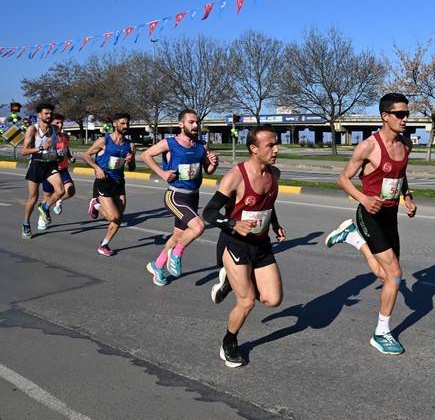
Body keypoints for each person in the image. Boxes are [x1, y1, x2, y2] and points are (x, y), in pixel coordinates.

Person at [325, 93, 417, 355]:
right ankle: (381, 333)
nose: (405, 118)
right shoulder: (368, 146)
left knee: (383, 274)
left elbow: (401, 175)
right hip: (370, 215)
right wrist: (364, 199)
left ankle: (352, 238)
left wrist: (407, 197)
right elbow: (343, 179)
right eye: (399, 114)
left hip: (390, 215)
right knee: (395, 275)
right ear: (385, 116)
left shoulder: (405, 144)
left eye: (406, 114)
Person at [202, 125, 286, 368]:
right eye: (270, 145)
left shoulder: (274, 174)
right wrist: (232, 224)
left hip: (260, 244)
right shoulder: (235, 177)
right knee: (247, 301)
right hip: (235, 244)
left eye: (276, 144)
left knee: (273, 300)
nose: (276, 149)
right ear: (253, 148)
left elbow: (267, 202)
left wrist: (275, 225)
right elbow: (209, 212)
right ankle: (229, 341)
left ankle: (233, 279)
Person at [140, 109, 219, 286]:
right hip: (175, 196)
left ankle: (157, 265)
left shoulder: (201, 146)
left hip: (193, 197)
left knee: (178, 236)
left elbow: (209, 170)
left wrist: (214, 163)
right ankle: (176, 254)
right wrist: (162, 173)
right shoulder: (170, 143)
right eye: (191, 122)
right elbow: (145, 155)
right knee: (198, 227)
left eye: (197, 122)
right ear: (181, 124)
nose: (196, 125)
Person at [81, 112, 135, 257]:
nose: (126, 126)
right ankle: (96, 204)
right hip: (104, 181)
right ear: (115, 124)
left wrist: (130, 161)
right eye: (122, 123)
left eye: (127, 123)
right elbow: (85, 155)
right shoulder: (104, 141)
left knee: (119, 218)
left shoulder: (130, 145)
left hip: (119, 183)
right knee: (113, 217)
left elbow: (132, 168)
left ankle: (103, 244)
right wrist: (97, 168)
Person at [19, 103, 65, 239]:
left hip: (50, 164)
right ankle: (26, 223)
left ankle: (45, 208)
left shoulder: (55, 128)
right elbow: (23, 151)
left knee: (61, 191)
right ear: (39, 115)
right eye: (46, 113)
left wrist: (59, 153)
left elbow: (54, 145)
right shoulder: (32, 129)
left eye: (51, 113)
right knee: (32, 198)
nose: (49, 116)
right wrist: (41, 147)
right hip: (36, 165)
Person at [40, 113, 76, 221]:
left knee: (70, 191)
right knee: (47, 197)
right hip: (49, 171)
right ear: (50, 124)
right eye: (57, 123)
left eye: (61, 123)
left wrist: (70, 157)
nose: (60, 125)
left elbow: (66, 148)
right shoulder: (47, 137)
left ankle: (58, 200)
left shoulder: (65, 136)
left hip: (63, 169)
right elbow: (41, 153)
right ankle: (42, 219)